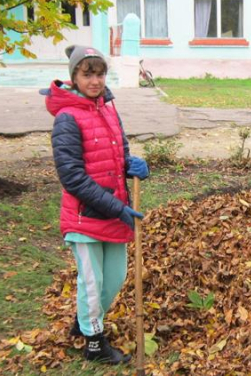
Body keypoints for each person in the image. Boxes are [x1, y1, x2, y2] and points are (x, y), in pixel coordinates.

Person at [43, 45, 150, 364]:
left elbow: (120, 150)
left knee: (115, 277)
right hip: (85, 216)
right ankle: (94, 342)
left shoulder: (107, 107)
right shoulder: (66, 118)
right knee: (93, 281)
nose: (95, 80)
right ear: (73, 77)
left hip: (114, 209)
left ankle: (83, 321)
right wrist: (118, 208)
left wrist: (133, 164)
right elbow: (72, 177)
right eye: (87, 74)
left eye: (100, 73)